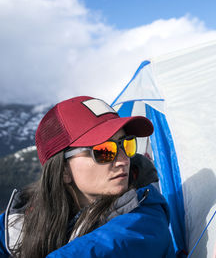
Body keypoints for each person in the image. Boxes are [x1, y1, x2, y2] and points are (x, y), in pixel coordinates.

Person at [0, 96, 175, 257]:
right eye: (104, 151)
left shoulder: (143, 220)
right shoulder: (24, 215)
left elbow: (105, 248)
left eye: (126, 144)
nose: (123, 160)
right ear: (63, 171)